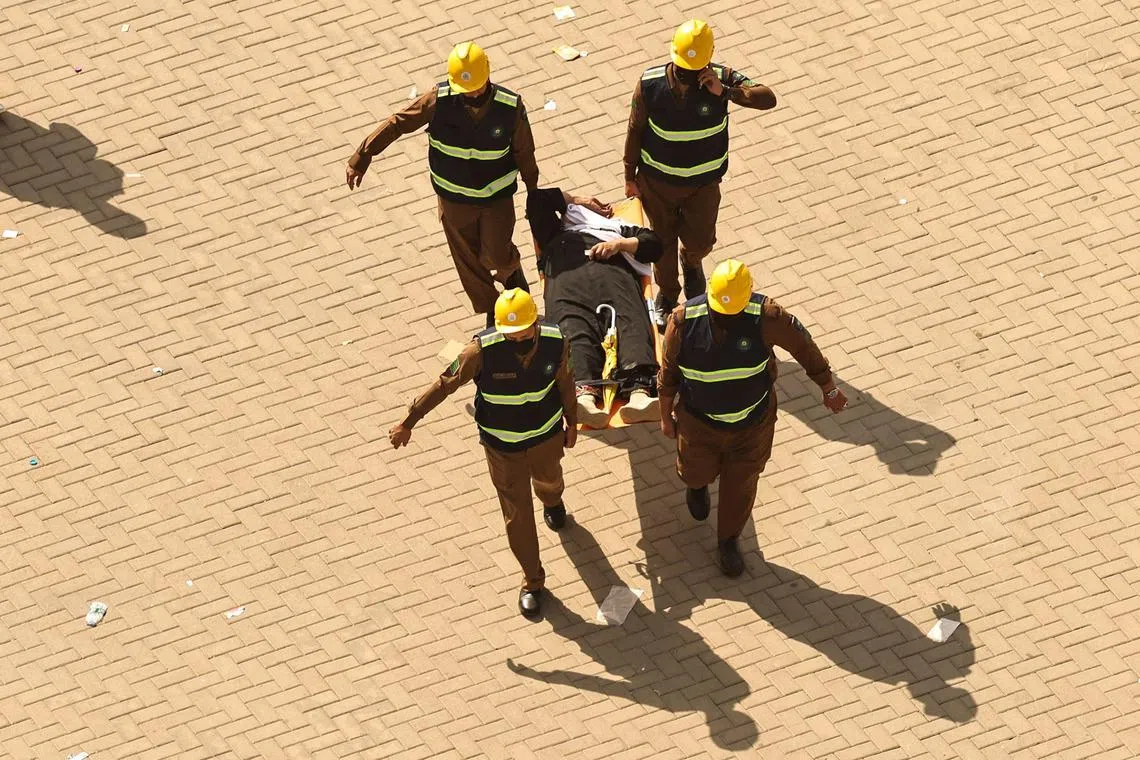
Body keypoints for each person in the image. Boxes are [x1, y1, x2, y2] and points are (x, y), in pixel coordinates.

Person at [389, 289, 575, 618]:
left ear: (534, 322)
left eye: (520, 330)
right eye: (508, 331)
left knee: (550, 482)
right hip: (503, 449)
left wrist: (572, 424)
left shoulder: (555, 340)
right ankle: (533, 581)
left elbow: (565, 382)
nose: (514, 336)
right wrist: (409, 421)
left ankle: (553, 501)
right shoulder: (480, 351)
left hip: (546, 438)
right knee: (517, 517)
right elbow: (444, 384)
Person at [658, 259, 848, 576]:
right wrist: (666, 418)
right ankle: (697, 486)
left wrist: (827, 386)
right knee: (693, 471)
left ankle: (729, 541)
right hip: (699, 423)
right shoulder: (682, 322)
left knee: (741, 486)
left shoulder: (768, 317)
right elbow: (668, 374)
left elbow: (804, 347)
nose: (725, 318)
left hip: (752, 426)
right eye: (720, 311)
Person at [347, 42, 539, 327]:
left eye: (476, 87)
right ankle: (495, 314)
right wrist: (363, 154)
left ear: (488, 75)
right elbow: (399, 122)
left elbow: (524, 151)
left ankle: (513, 280)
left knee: (498, 253)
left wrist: (534, 191)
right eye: (465, 89)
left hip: (496, 198)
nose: (471, 94)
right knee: (469, 262)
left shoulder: (510, 107)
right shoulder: (438, 101)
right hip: (453, 199)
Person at [623, 19, 778, 331]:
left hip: (704, 185)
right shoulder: (650, 84)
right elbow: (635, 129)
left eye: (693, 71)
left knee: (701, 241)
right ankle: (667, 296)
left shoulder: (720, 78)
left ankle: (692, 263)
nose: (687, 78)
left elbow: (767, 98)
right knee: (661, 243)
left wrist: (727, 92)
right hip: (658, 183)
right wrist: (629, 175)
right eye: (682, 70)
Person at [526, 187, 665, 427]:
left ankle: (639, 395)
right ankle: (585, 399)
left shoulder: (619, 228)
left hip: (614, 273)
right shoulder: (555, 231)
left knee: (630, 319)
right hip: (567, 276)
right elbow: (537, 199)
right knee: (572, 325)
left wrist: (619, 245)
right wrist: (578, 200)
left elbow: (654, 245)